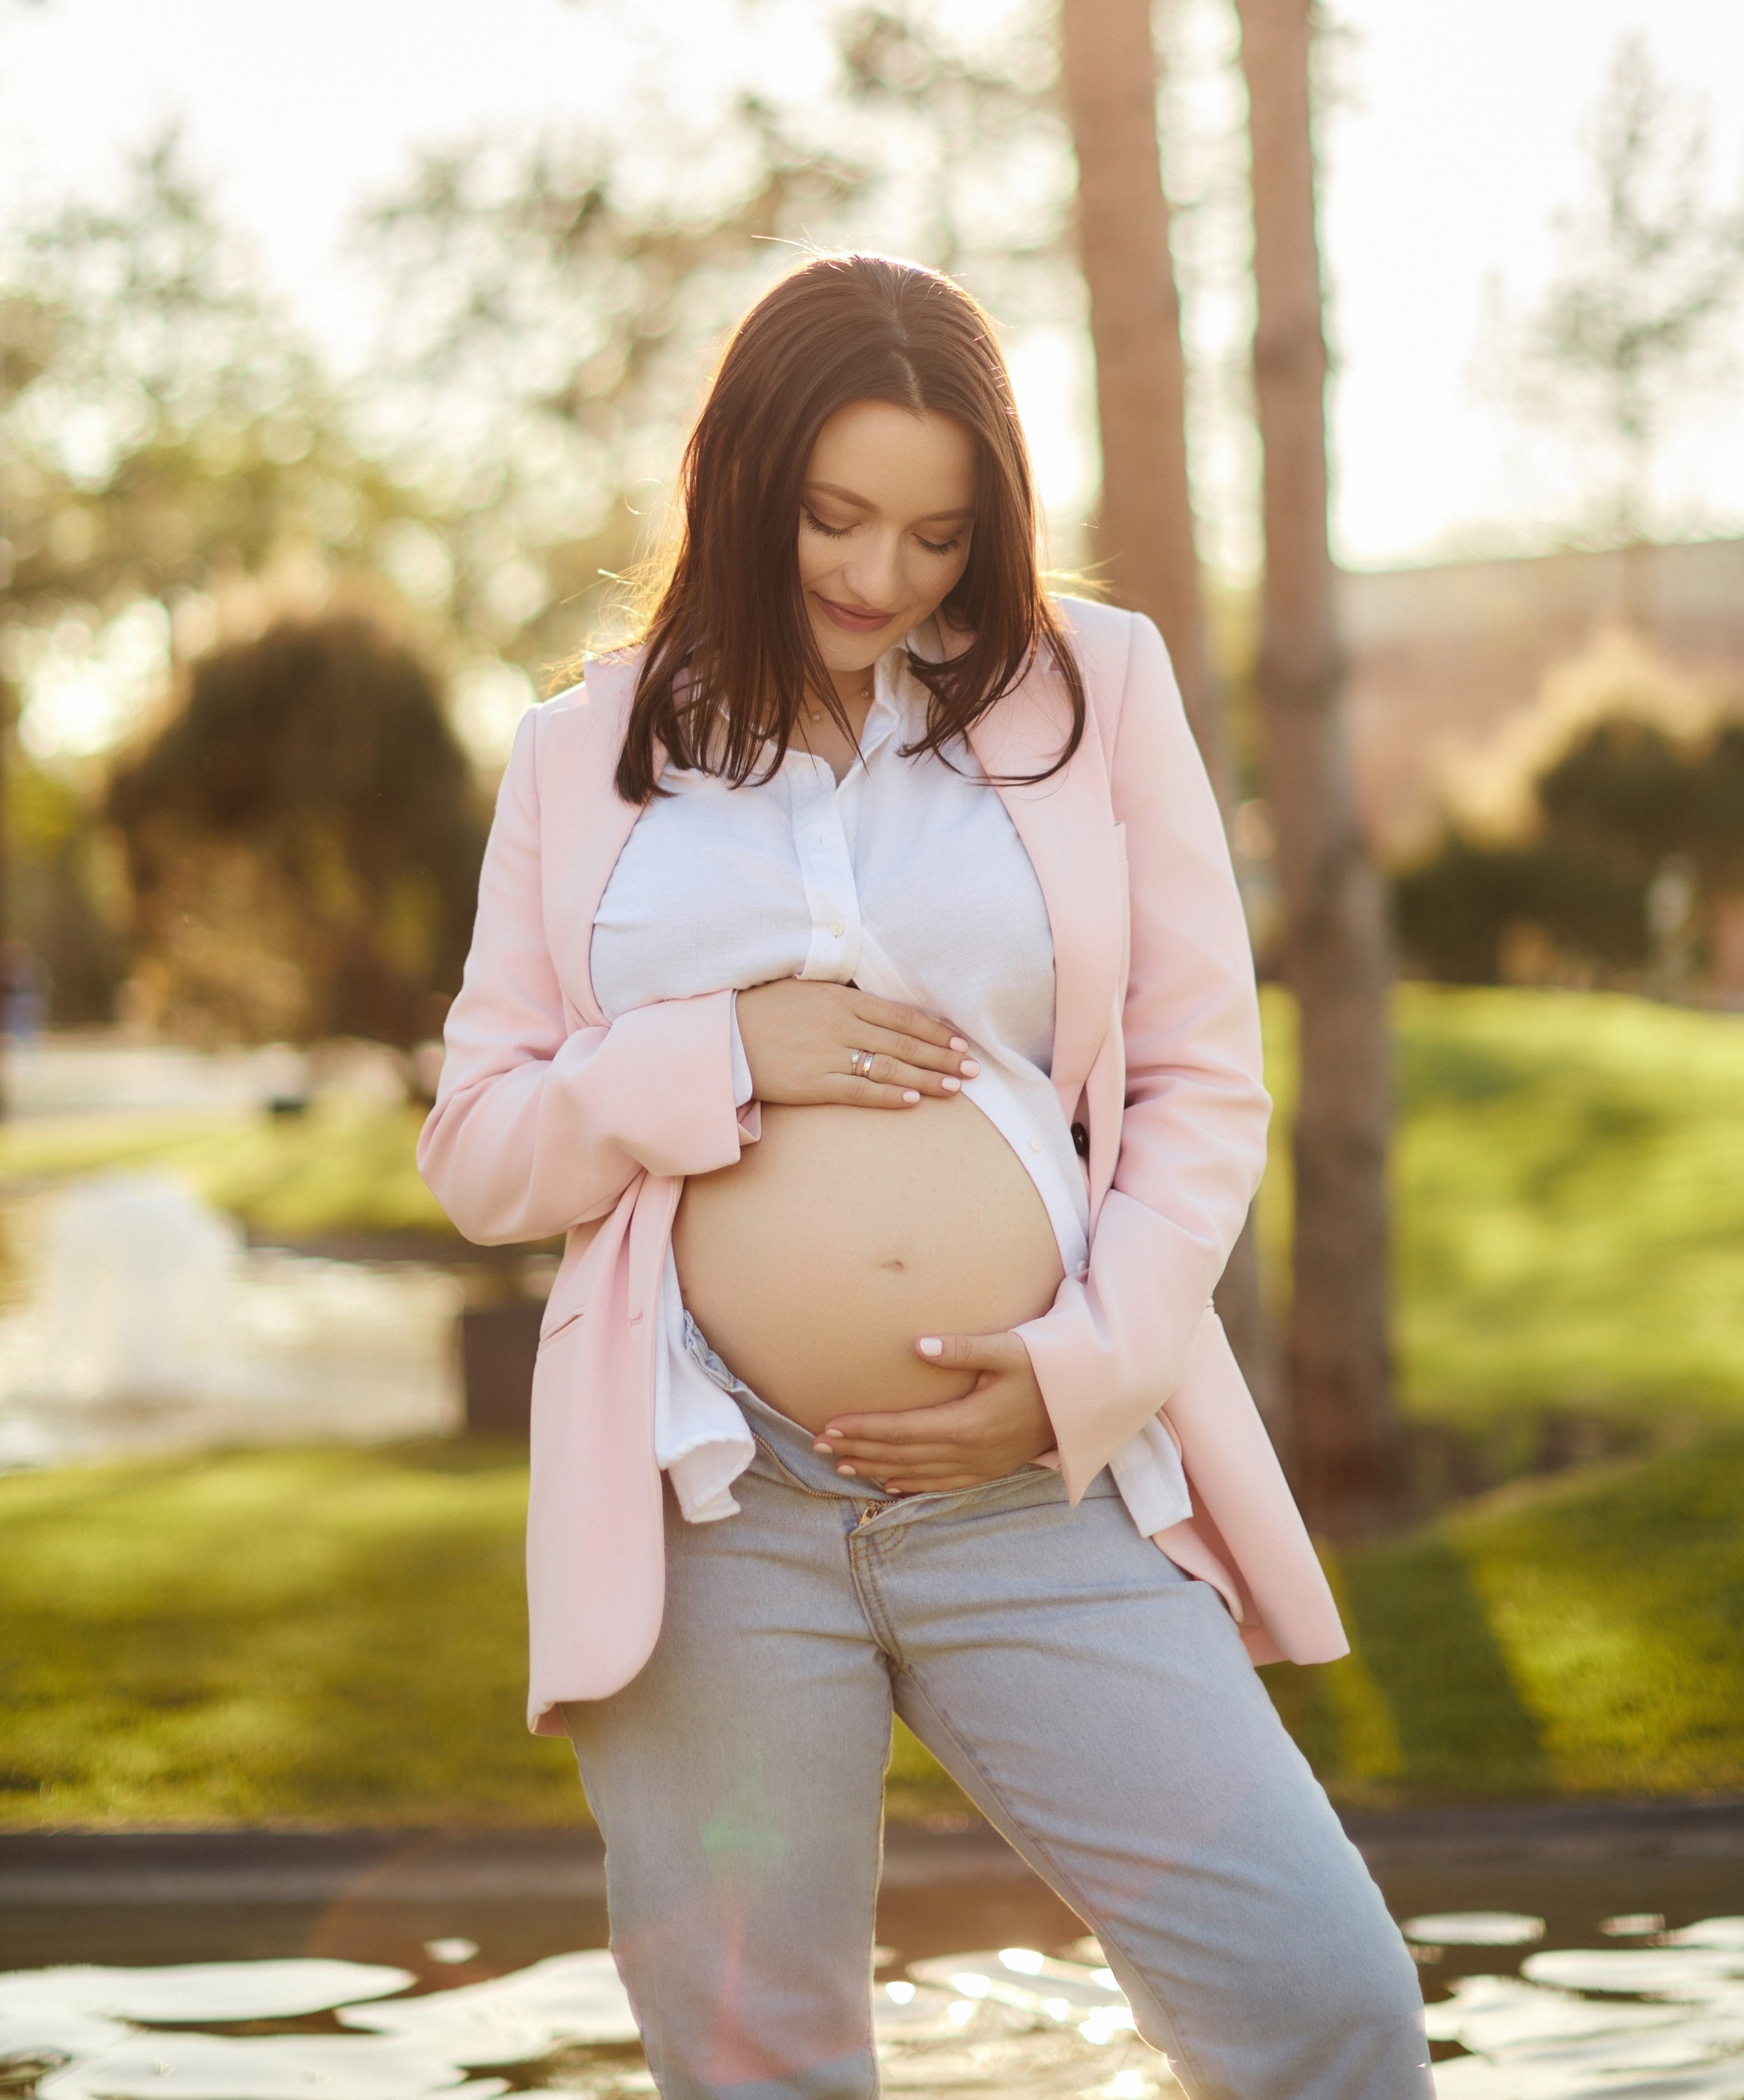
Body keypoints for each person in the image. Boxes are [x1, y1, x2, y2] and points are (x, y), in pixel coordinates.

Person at [418, 254, 1429, 2100]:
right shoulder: (585, 751)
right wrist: (717, 1056)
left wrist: (1081, 1370)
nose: (883, 579)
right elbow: (480, 1146)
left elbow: (1204, 1083)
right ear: (740, 482)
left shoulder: (1092, 689)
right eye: (837, 518)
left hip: (1037, 1483)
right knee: (761, 2068)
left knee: (1326, 2006)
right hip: (711, 1500)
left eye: (942, 538)